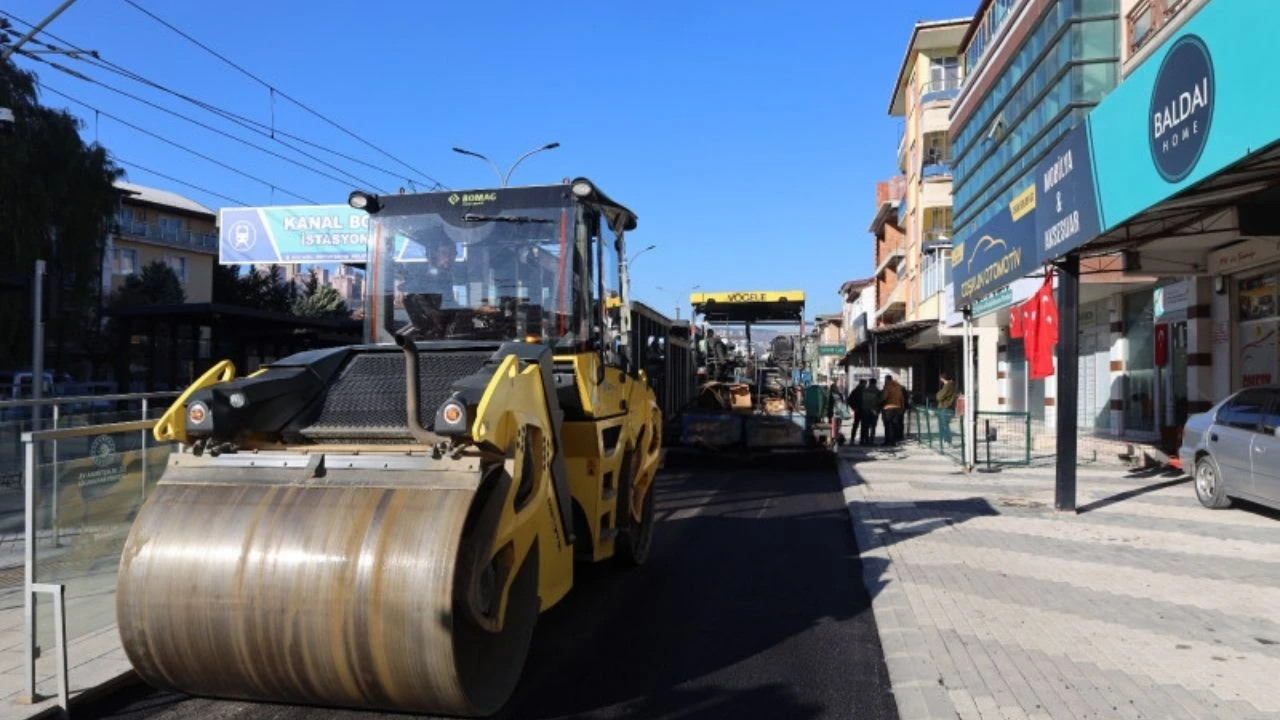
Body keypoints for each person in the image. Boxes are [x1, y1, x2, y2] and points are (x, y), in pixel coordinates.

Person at [880, 374, 906, 446]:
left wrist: (879, 402)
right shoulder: (898, 387)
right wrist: (902, 408)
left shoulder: (887, 386)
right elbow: (902, 398)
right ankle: (894, 441)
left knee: (888, 425)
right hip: (897, 407)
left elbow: (884, 397)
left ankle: (888, 441)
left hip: (888, 408)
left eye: (885, 380)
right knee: (895, 425)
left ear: (887, 379)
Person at [936, 370, 957, 447]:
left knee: (944, 425)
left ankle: (947, 441)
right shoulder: (951, 385)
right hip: (948, 408)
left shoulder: (947, 386)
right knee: (945, 425)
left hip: (945, 408)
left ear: (942, 378)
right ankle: (946, 440)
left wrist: (938, 394)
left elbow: (939, 397)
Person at [859, 377, 880, 445]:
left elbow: (862, 400)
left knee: (865, 426)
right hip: (874, 410)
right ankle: (871, 440)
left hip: (865, 410)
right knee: (873, 426)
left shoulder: (865, 390)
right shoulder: (877, 391)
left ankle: (866, 439)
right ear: (875, 383)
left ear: (870, 382)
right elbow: (879, 401)